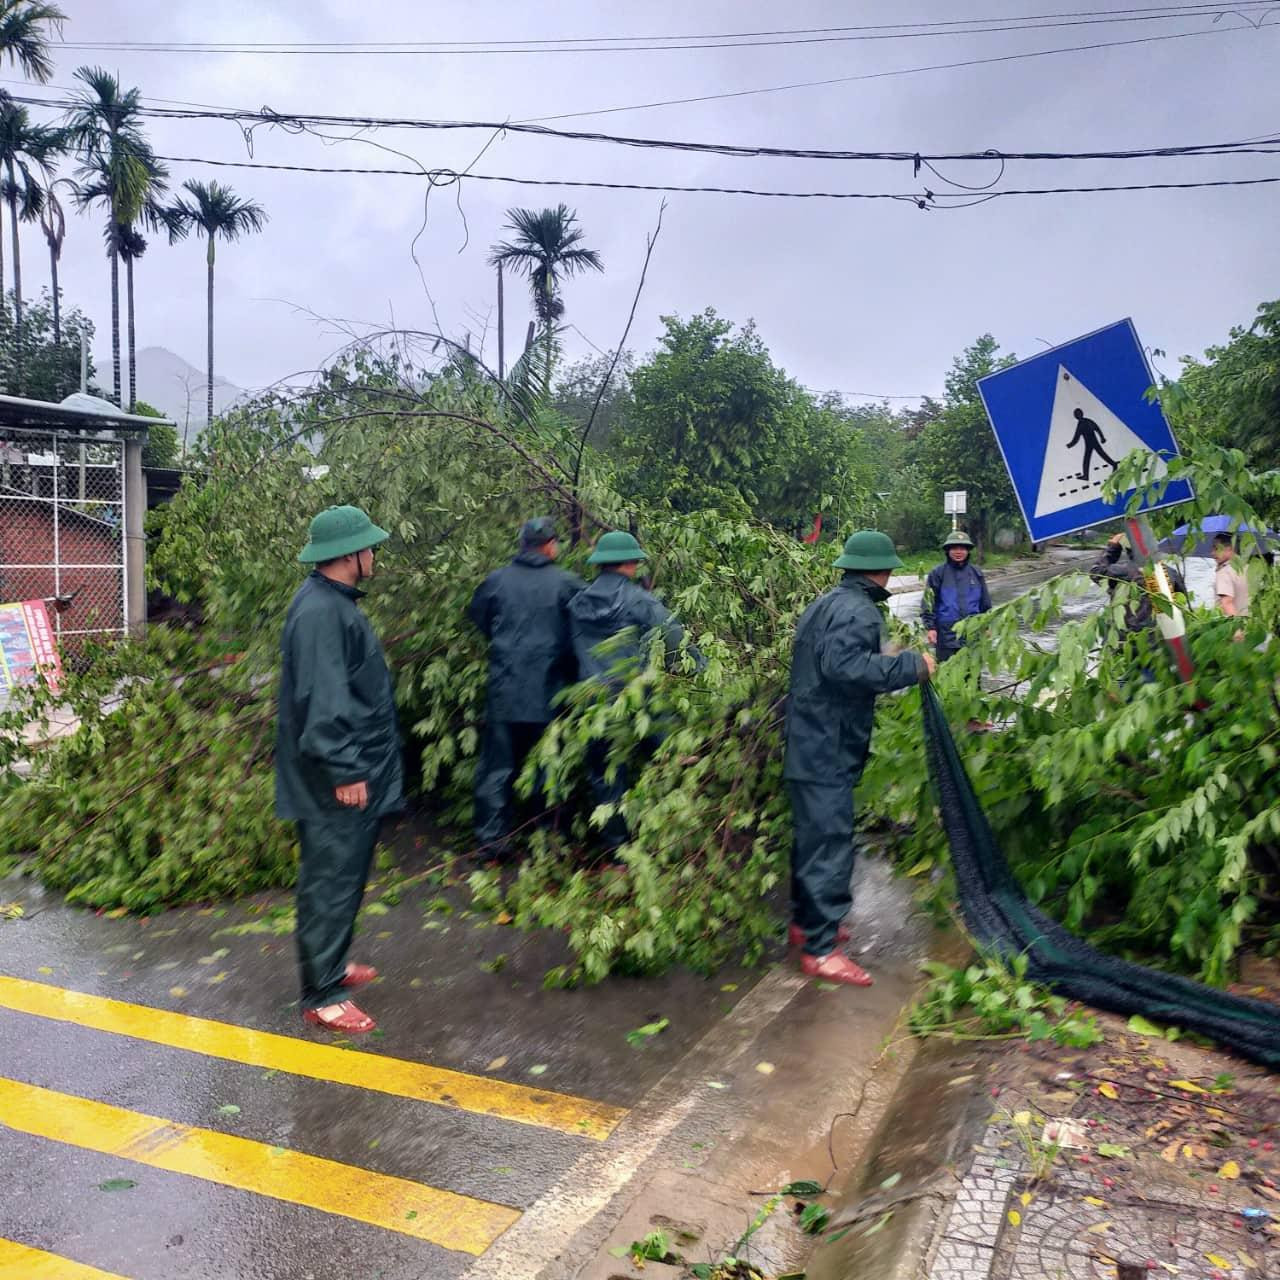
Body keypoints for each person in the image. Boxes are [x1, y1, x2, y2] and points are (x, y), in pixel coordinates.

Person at [784, 530, 935, 987]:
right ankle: (821, 950)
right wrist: (911, 667)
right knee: (830, 844)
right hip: (826, 746)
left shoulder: (828, 603)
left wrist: (885, 657)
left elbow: (833, 659)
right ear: (883, 570)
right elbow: (842, 668)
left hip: (809, 741)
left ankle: (805, 924)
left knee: (811, 840)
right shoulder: (858, 610)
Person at [275, 505, 403, 1035]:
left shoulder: (332, 605)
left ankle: (333, 964)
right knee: (330, 880)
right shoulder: (323, 613)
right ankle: (321, 994)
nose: (374, 555)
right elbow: (323, 702)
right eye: (369, 547)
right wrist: (346, 770)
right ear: (350, 555)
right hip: (335, 781)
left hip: (347, 772)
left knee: (346, 876)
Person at [568, 530, 701, 853]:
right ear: (629, 563)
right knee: (666, 754)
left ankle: (616, 851)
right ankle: (663, 836)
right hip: (634, 697)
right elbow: (674, 638)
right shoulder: (638, 599)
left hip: (590, 699)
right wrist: (699, 666)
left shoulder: (576, 602)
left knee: (604, 775)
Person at [468, 516, 584, 859]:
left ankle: (492, 841)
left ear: (523, 545)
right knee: (547, 766)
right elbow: (582, 630)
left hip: (505, 691)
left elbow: (479, 617)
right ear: (550, 545)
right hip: (550, 693)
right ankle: (547, 841)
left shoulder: (496, 581)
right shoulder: (568, 584)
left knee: (497, 767)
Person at [921, 530, 991, 663]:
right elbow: (928, 603)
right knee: (947, 675)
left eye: (962, 548)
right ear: (948, 551)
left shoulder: (976, 573)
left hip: (972, 633)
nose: (958, 552)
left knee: (972, 676)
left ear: (968, 551)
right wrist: (930, 628)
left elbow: (985, 602)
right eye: (954, 548)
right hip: (946, 635)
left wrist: (986, 625)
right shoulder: (938, 573)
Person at [1212, 532, 1250, 626]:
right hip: (1253, 624)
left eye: (1216, 548)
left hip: (1231, 627)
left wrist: (1236, 629)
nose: (1212, 553)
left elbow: (1227, 602)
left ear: (1230, 549)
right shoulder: (1249, 568)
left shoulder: (1224, 572)